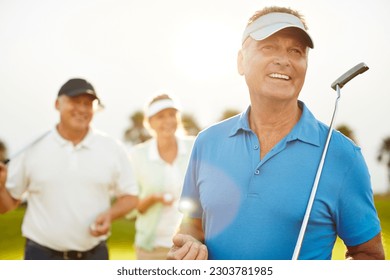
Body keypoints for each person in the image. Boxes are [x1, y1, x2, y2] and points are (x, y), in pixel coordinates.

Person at [167, 6, 385, 260]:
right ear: (241, 60)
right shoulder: (207, 142)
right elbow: (191, 228)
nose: (284, 59)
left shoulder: (342, 155)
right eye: (268, 47)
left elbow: (369, 256)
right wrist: (188, 247)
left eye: (296, 51)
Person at [0, 78, 138, 260]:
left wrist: (110, 215)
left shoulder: (113, 148)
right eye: (75, 101)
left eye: (88, 104)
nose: (82, 109)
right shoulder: (31, 148)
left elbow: (130, 197)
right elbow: (7, 205)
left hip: (94, 255)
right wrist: (1, 187)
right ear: (57, 104)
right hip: (41, 255)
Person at [130, 93, 195, 259]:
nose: (168, 121)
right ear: (150, 122)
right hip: (152, 247)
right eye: (160, 117)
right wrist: (153, 198)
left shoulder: (195, 146)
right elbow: (130, 207)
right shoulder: (138, 155)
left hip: (190, 244)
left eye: (172, 115)